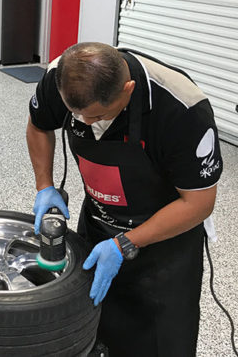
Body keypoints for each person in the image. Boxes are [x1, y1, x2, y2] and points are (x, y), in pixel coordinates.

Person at [27, 42, 222, 357]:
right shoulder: (59, 77)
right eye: (77, 115)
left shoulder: (182, 109)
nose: (87, 124)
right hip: (99, 222)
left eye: (99, 115)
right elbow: (39, 126)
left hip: (166, 241)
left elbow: (198, 204)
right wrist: (44, 186)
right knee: (95, 326)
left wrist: (126, 243)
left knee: (161, 340)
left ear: (128, 89)